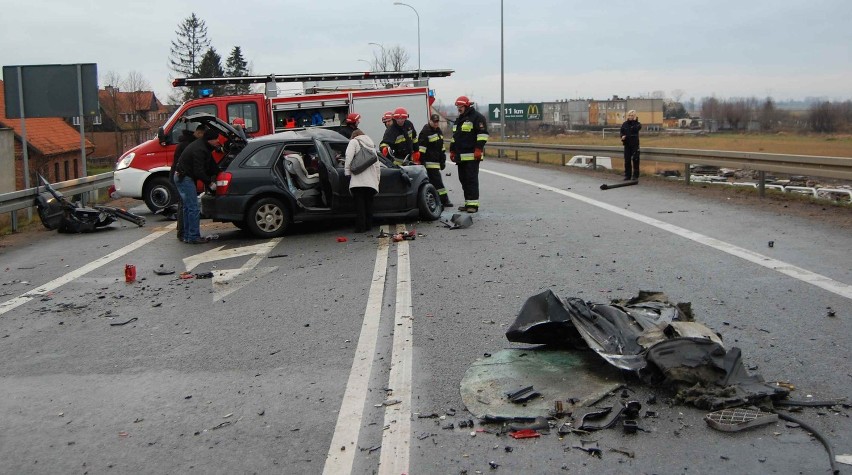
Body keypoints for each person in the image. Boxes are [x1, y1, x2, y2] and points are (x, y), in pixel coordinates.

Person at [175, 128, 220, 244]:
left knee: (187, 208)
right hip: (184, 178)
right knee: (193, 208)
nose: (218, 141)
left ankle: (186, 235)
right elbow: (198, 171)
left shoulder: (203, 146)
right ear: (210, 140)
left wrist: (217, 172)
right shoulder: (200, 149)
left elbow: (211, 165)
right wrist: (210, 183)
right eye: (216, 139)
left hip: (181, 176)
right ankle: (193, 236)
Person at [449, 96, 488, 213]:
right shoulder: (459, 119)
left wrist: (478, 149)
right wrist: (452, 150)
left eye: (460, 107)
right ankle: (468, 203)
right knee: (463, 179)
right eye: (457, 107)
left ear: (466, 106)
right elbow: (455, 137)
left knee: (471, 179)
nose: (458, 109)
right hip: (460, 156)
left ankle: (473, 205)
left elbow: (483, 135)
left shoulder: (477, 118)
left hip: (472, 156)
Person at [169, 125, 204, 241]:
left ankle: (184, 233)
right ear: (198, 133)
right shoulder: (189, 145)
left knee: (185, 206)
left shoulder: (185, 143)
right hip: (183, 176)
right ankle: (186, 233)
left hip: (179, 175)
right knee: (188, 206)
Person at [344, 129, 381, 233]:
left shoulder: (354, 142)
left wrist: (347, 172)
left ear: (354, 135)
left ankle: (360, 227)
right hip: (371, 182)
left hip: (358, 180)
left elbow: (348, 157)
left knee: (360, 205)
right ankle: (368, 225)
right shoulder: (371, 145)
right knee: (369, 204)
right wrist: (377, 180)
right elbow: (377, 165)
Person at [418, 113, 452, 207]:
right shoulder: (425, 131)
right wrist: (422, 162)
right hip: (428, 163)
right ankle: (444, 201)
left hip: (436, 162)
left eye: (437, 122)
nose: (436, 124)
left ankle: (436, 201)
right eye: (434, 122)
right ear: (430, 121)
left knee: (434, 183)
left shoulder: (439, 131)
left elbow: (442, 148)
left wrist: (443, 160)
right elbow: (421, 149)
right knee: (438, 183)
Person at [620, 110, 642, 180]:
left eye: (632, 115)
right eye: (629, 115)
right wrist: (622, 136)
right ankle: (627, 175)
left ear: (634, 116)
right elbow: (621, 132)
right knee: (627, 161)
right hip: (627, 145)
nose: (630, 117)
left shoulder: (638, 124)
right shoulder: (624, 124)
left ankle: (635, 176)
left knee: (635, 160)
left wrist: (634, 121)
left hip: (635, 145)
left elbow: (635, 129)